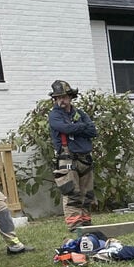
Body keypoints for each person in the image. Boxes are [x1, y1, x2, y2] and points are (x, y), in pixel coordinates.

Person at [48, 81, 98, 231]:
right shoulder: (54, 115)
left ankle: (86, 225)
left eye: (64, 97)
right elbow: (64, 128)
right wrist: (81, 127)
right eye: (58, 98)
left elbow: (93, 131)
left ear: (70, 97)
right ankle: (75, 227)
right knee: (72, 193)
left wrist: (75, 128)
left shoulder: (80, 113)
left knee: (87, 194)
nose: (61, 100)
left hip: (84, 158)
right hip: (67, 159)